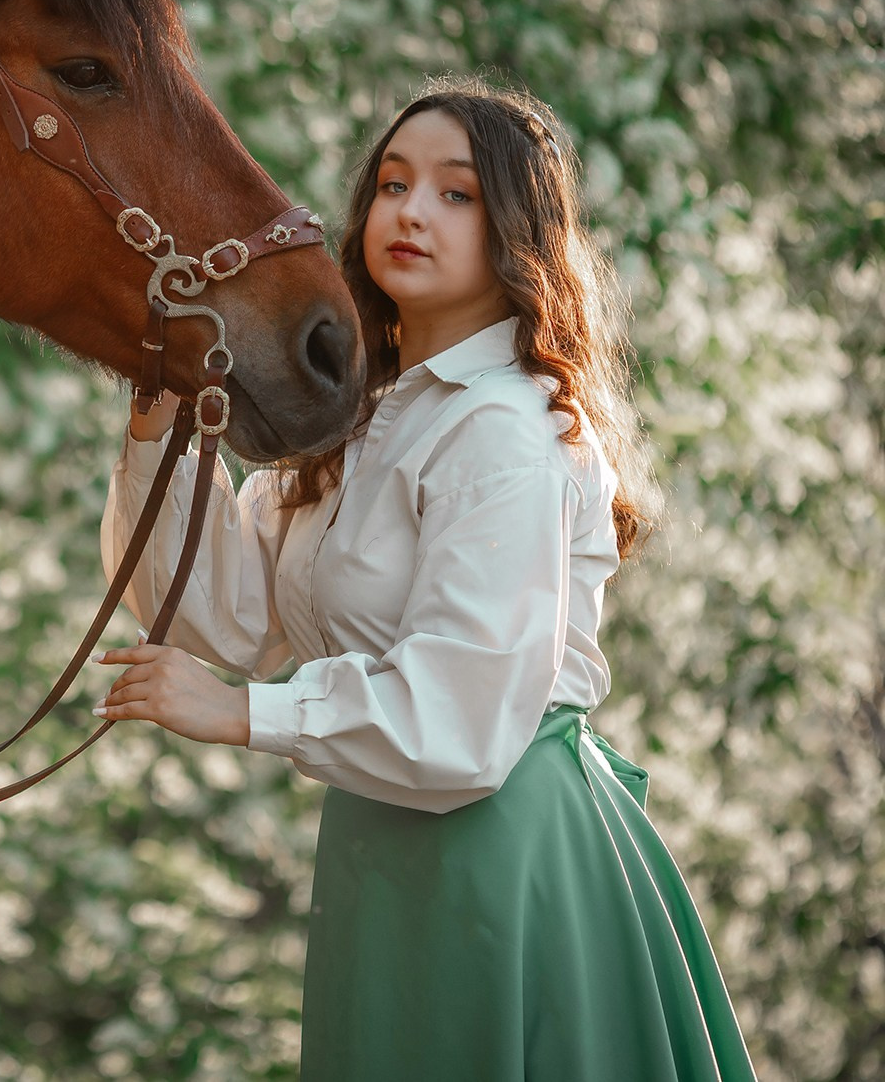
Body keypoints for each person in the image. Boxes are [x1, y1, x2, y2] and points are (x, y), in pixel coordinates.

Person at [94, 78, 756, 1080]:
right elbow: (223, 618)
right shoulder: (360, 415)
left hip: (501, 850)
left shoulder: (503, 429)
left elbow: (463, 721)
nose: (409, 210)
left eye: (455, 194)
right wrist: (158, 423)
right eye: (394, 183)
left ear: (515, 232)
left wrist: (244, 715)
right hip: (384, 842)